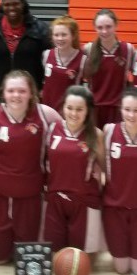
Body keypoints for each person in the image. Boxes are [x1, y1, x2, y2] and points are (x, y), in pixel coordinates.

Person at [0, 70, 61, 263]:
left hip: (30, 196)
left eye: (22, 91)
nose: (16, 95)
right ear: (3, 92)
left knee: (27, 260)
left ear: (31, 92)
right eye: (11, 90)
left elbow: (71, 134)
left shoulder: (45, 114)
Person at [102, 87, 137, 275]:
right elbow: (99, 164)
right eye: (127, 109)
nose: (131, 115)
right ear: (120, 109)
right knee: (121, 268)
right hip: (114, 208)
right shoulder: (108, 132)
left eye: (136, 110)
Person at [43, 85, 105, 254]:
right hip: (55, 199)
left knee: (79, 261)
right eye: (69, 108)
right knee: (56, 256)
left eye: (79, 109)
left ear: (88, 111)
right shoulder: (51, 129)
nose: (73, 113)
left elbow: (107, 168)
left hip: (83, 202)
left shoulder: (96, 135)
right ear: (63, 107)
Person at [0, 0, 51, 106]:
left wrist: (44, 87)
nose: (11, 8)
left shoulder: (39, 29)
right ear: (2, 6)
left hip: (27, 93)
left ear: (23, 4)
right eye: (7, 4)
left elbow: (51, 59)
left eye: (16, 3)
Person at [83, 9, 135, 127]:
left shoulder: (128, 49)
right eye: (100, 27)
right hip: (94, 109)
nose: (104, 31)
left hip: (119, 109)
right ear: (95, 28)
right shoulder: (88, 50)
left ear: (116, 25)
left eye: (108, 27)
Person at [41, 16, 87, 112]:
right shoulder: (46, 54)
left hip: (70, 112)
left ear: (73, 36)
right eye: (56, 35)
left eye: (64, 35)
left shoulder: (83, 59)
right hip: (47, 110)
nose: (60, 38)